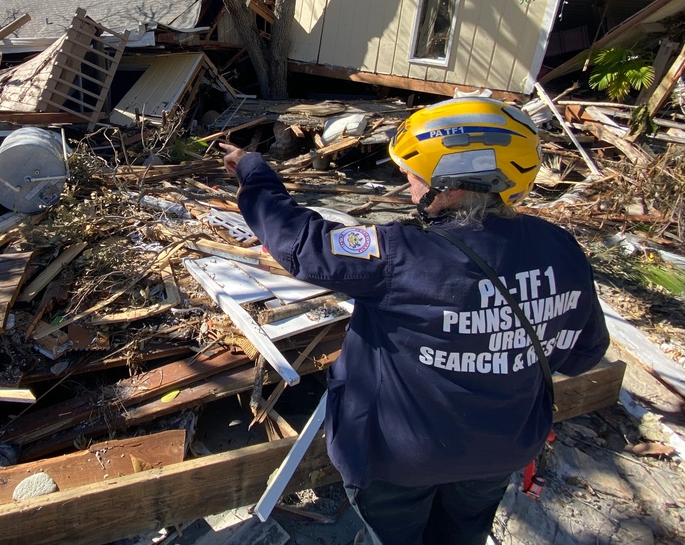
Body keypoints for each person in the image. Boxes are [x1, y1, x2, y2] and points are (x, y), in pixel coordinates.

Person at [220, 96, 609, 545]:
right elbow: (583, 355)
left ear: (452, 183)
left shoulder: (401, 254)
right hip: (502, 448)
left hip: (399, 460)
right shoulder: (560, 248)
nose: (407, 186)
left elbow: (300, 241)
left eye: (413, 174)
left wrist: (253, 169)